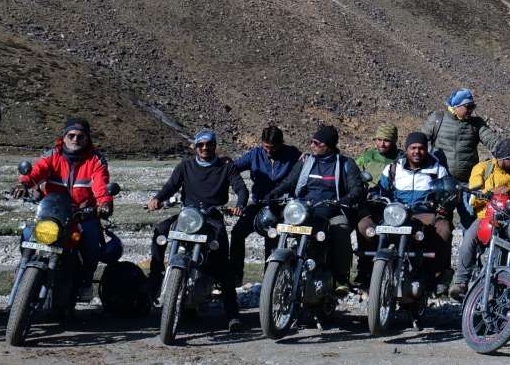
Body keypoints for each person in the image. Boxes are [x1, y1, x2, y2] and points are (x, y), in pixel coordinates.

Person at [144, 130, 251, 330]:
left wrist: (240, 204)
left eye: (208, 144)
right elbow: (171, 186)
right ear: (195, 146)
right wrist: (157, 198)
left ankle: (232, 313)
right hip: (188, 215)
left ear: (214, 145)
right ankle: (155, 277)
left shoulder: (226, 168)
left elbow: (241, 189)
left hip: (212, 217)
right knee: (160, 231)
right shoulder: (186, 166)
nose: (204, 148)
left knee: (221, 257)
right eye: (200, 145)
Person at [16, 117, 113, 287]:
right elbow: (38, 171)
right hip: (52, 214)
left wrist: (104, 203)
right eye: (71, 135)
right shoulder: (52, 156)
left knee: (91, 245)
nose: (75, 139)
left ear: (87, 138)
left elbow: (100, 185)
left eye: (80, 136)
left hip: (82, 215)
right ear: (64, 136)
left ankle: (85, 282)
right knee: (27, 235)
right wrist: (23, 183)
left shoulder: (95, 161)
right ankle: (21, 275)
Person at [273, 125, 368, 284]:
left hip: (333, 209)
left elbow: (357, 188)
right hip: (304, 209)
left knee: (341, 228)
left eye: (317, 143)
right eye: (312, 142)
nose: (312, 146)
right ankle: (278, 268)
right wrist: (275, 193)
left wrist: (345, 200)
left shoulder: (345, 163)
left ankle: (340, 278)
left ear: (329, 146)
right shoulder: (306, 162)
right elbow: (289, 182)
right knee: (276, 224)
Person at [368, 131, 457, 285]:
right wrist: (373, 195)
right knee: (368, 227)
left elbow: (447, 192)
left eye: (421, 148)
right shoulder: (393, 169)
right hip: (397, 213)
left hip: (424, 213)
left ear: (426, 149)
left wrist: (443, 203)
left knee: (444, 229)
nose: (417, 151)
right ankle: (368, 274)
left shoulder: (437, 170)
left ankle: (437, 275)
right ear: (406, 149)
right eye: (413, 148)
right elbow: (381, 188)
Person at [450, 138, 510, 296]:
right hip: (487, 215)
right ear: (501, 159)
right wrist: (491, 192)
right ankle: (461, 281)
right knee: (469, 238)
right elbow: (472, 196)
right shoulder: (483, 168)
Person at [227, 124, 300, 287]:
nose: (268, 151)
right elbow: (233, 167)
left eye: (272, 148)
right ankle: (236, 275)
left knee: (272, 239)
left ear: (281, 143)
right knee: (238, 233)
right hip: (259, 204)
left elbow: (305, 165)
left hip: (282, 206)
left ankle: (270, 281)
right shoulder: (255, 154)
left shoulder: (292, 154)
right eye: (265, 147)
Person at [422, 90, 502, 203]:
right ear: (456, 106)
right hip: (442, 182)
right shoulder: (437, 119)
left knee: (469, 216)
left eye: (473, 106)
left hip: (468, 182)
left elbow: (492, 141)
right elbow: (419, 141)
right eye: (468, 107)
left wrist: (507, 152)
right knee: (442, 217)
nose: (471, 110)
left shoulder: (476, 124)